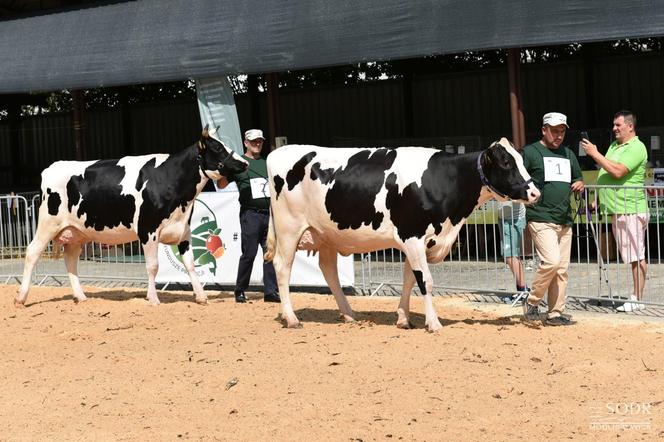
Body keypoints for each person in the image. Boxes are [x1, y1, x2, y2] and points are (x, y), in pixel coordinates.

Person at [582, 110, 648, 312]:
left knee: (636, 256)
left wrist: (595, 154)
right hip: (616, 210)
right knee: (630, 255)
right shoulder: (613, 145)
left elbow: (618, 172)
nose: (614, 128)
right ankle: (636, 296)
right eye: (614, 125)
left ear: (630, 126)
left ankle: (637, 298)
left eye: (618, 125)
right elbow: (605, 173)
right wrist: (597, 201)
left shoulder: (637, 147)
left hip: (630, 209)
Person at [522, 112, 584, 326]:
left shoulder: (568, 153)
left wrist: (579, 183)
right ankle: (532, 302)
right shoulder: (530, 153)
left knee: (561, 269)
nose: (559, 135)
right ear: (544, 129)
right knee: (551, 262)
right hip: (540, 216)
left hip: (565, 218)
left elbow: (577, 176)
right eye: (554, 131)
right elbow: (518, 177)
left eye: (562, 131)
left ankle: (555, 313)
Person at [217, 129, 280, 303]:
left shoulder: (268, 163)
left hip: (269, 215)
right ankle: (240, 289)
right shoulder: (239, 162)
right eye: (253, 141)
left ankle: (271, 291)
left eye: (259, 141)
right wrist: (225, 169)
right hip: (250, 214)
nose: (257, 144)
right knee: (249, 253)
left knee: (270, 253)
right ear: (246, 143)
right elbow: (220, 185)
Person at [497, 199, 528, 303]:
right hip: (505, 218)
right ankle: (523, 290)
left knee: (510, 256)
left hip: (513, 219)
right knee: (512, 256)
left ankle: (523, 292)